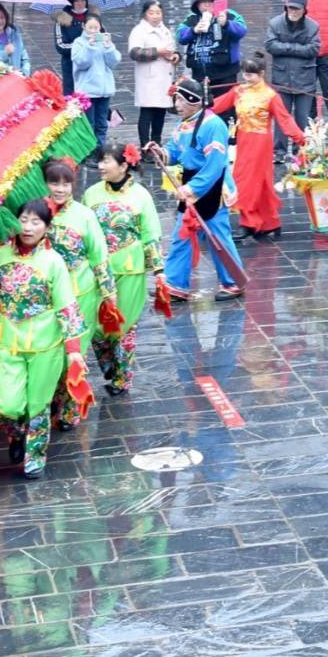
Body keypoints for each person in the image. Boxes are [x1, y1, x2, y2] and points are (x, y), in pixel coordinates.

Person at [0, 200, 88, 477]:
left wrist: (74, 350)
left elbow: (66, 306)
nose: (28, 227)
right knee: (8, 404)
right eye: (24, 220)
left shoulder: (54, 262)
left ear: (46, 227)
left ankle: (35, 459)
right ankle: (17, 434)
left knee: (38, 404)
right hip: (8, 342)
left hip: (45, 345)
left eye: (36, 222)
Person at [42, 159, 117, 428]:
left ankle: (70, 409)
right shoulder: (38, 212)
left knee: (75, 352)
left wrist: (109, 293)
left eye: (66, 183)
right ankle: (50, 400)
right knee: (50, 352)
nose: (60, 189)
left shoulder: (85, 215)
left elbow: (99, 256)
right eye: (54, 183)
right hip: (46, 297)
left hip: (80, 293)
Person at [85, 145, 162, 389]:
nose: (101, 166)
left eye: (106, 161)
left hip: (129, 270)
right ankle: (108, 363)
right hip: (98, 269)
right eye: (100, 161)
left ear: (124, 165)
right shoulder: (91, 194)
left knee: (123, 324)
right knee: (95, 326)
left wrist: (159, 271)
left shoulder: (141, 196)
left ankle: (122, 378)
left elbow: (151, 234)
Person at [163, 80, 244, 301]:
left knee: (218, 236)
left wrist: (192, 188)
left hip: (212, 185)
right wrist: (160, 153)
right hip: (193, 182)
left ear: (193, 100)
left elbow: (215, 163)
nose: (177, 104)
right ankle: (175, 284)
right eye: (176, 99)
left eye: (180, 99)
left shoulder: (212, 125)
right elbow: (175, 150)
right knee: (183, 234)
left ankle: (233, 281)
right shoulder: (184, 123)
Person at [212, 57, 305, 240]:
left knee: (246, 180)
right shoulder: (238, 91)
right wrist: (199, 105)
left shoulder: (270, 96)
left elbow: (284, 119)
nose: (247, 77)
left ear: (262, 74)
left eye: (251, 74)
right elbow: (218, 105)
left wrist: (300, 139)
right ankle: (271, 222)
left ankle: (248, 223)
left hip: (260, 143)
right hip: (244, 140)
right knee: (259, 183)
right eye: (245, 73)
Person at [264, 0, 322, 153]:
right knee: (282, 116)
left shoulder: (313, 26)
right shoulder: (275, 23)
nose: (293, 12)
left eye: (297, 9)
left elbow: (314, 49)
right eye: (290, 8)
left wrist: (286, 47)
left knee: (303, 118)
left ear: (304, 10)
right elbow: (270, 45)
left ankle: (301, 148)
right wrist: (296, 48)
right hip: (282, 78)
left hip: (305, 79)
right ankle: (279, 150)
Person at [128, 0, 179, 151]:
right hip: (149, 78)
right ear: (145, 14)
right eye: (151, 13)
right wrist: (157, 52)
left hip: (164, 77)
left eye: (158, 13)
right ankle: (145, 146)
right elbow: (134, 53)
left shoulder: (165, 30)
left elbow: (172, 49)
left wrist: (176, 56)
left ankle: (156, 142)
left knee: (160, 113)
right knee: (147, 112)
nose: (155, 16)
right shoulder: (139, 31)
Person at [179, 0, 247, 100]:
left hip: (225, 74)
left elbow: (242, 30)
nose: (206, 5)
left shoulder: (229, 14)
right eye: (203, 2)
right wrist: (193, 30)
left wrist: (226, 24)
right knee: (203, 109)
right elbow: (180, 37)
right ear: (197, 5)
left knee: (225, 110)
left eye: (210, 1)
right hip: (199, 75)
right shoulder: (191, 19)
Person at [72, 12, 120, 150]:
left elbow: (114, 62)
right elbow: (81, 63)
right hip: (87, 92)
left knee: (102, 123)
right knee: (89, 123)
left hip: (104, 91)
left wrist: (108, 47)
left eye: (96, 28)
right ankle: (89, 151)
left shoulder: (104, 42)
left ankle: (99, 149)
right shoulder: (79, 43)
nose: (93, 31)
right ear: (84, 27)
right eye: (90, 27)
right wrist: (90, 46)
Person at [53, 0, 91, 96]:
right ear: (71, 2)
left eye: (83, 0)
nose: (80, 3)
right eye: (76, 0)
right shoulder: (62, 20)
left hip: (91, 66)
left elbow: (102, 36)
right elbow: (60, 45)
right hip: (71, 66)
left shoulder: (93, 18)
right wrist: (81, 46)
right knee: (72, 100)